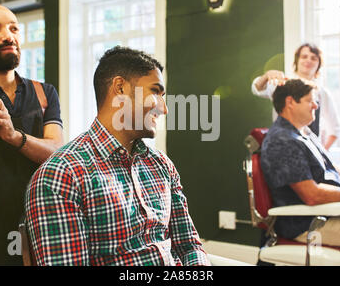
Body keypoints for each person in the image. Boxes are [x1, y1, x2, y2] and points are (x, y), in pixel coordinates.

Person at [25, 46, 210, 266]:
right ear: (120, 87)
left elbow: (189, 246)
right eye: (155, 92)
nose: (164, 108)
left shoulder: (161, 165)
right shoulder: (61, 175)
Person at [0, 4, 64, 265]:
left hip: (45, 227)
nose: (9, 36)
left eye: (14, 28)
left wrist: (13, 136)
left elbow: (56, 152)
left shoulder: (45, 93)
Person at [261, 79, 340, 265]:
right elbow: (311, 195)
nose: (316, 105)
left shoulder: (304, 133)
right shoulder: (282, 141)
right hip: (311, 223)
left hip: (335, 212)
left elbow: (326, 167)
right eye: (310, 100)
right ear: (290, 102)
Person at [252, 43, 340, 150]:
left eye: (313, 58)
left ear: (319, 64)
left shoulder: (323, 94)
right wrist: (266, 76)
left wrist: (321, 155)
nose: (308, 60)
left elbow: (335, 129)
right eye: (304, 56)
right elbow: (257, 89)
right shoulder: (282, 85)